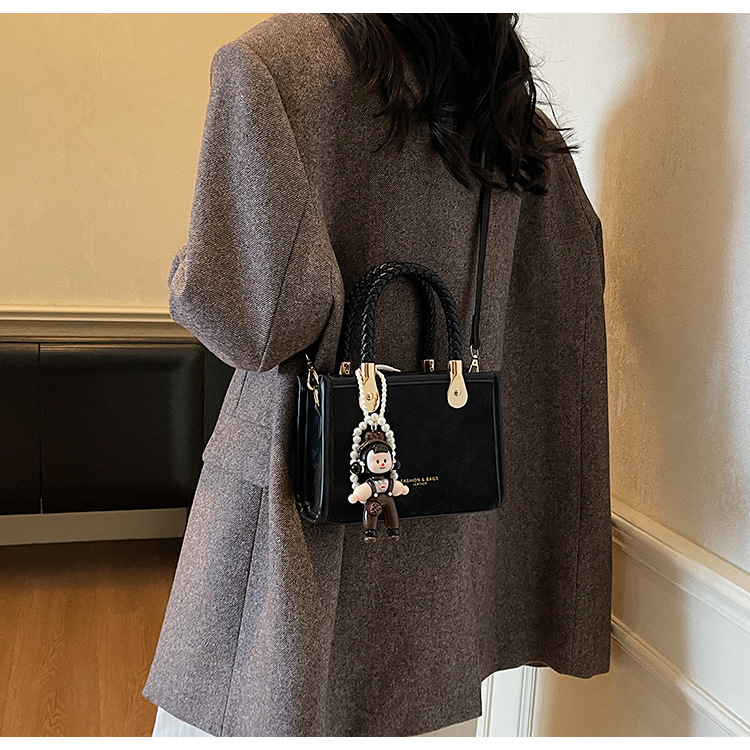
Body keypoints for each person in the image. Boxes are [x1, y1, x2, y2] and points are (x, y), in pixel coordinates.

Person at [143, 13, 611, 737]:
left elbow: (253, 324)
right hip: (447, 572)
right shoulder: (509, 118)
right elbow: (565, 314)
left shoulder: (277, 68)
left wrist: (190, 274)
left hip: (302, 537)